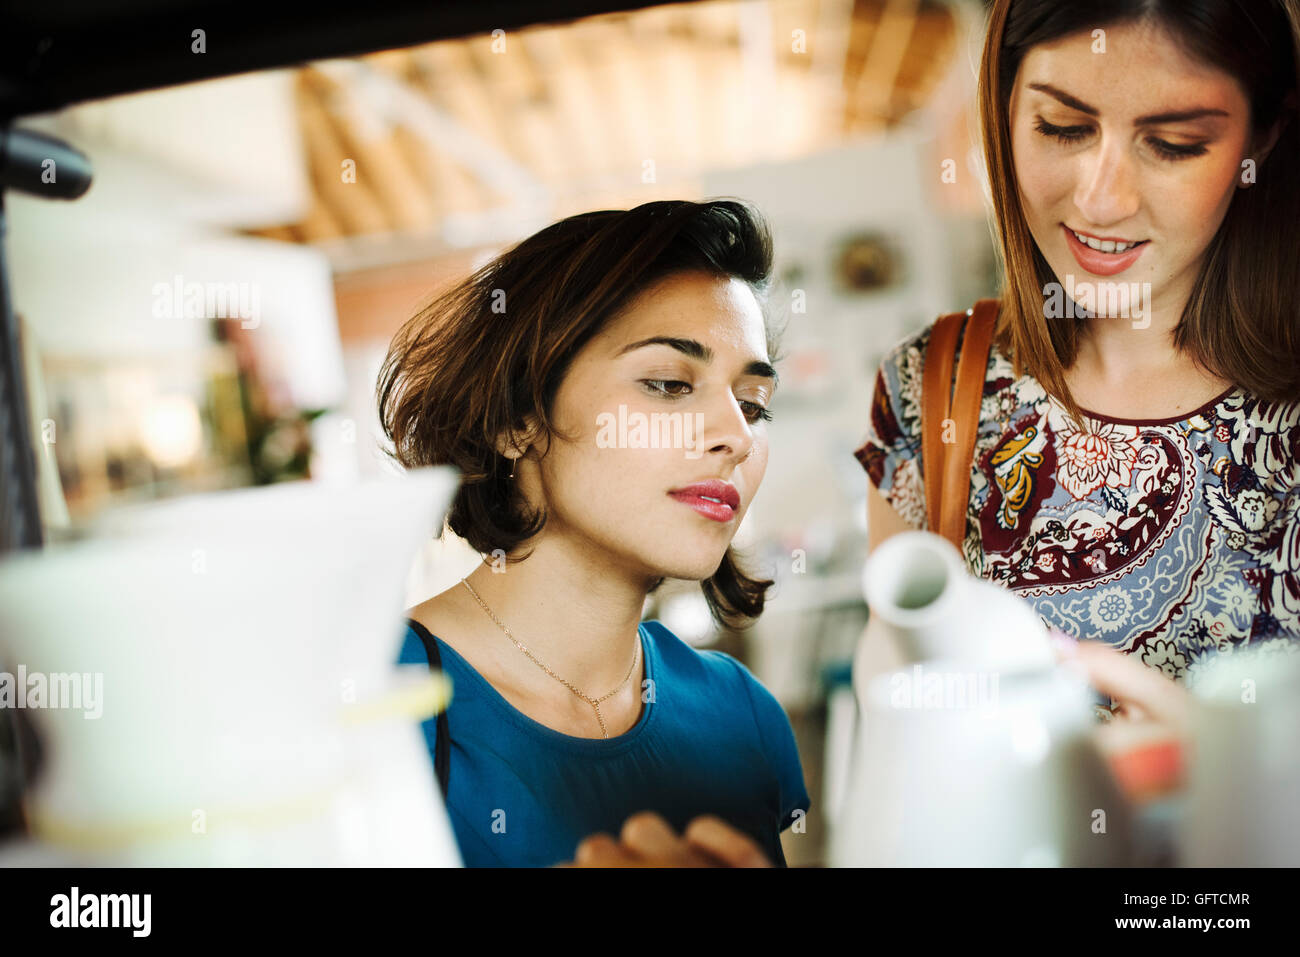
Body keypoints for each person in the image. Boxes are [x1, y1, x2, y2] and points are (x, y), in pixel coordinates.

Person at [568, 0, 1300, 866]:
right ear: (1001, 112)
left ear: (1261, 141)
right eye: (1062, 128)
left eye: (1174, 143)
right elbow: (908, 754)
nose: (1103, 197)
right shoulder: (937, 387)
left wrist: (1245, 783)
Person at [378, 199, 809, 867]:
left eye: (753, 404)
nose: (738, 435)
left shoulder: (743, 713)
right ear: (516, 421)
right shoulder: (375, 700)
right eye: (668, 383)